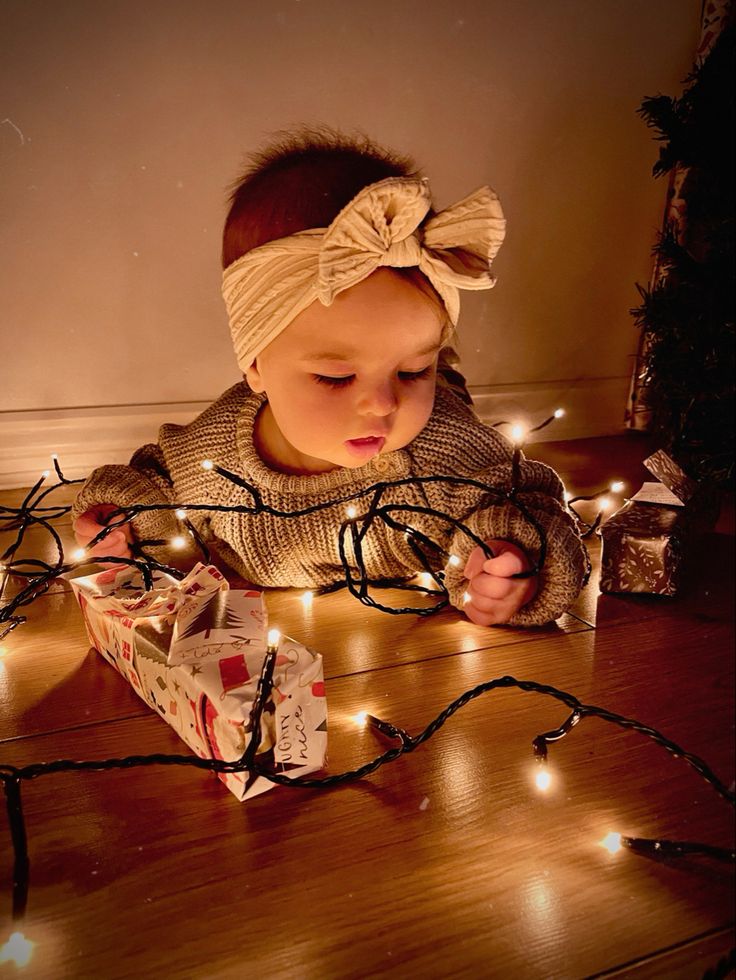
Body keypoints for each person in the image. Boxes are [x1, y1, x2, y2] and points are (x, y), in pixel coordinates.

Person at [73, 127, 588, 627]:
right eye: (336, 377)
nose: (382, 403)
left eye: (413, 369)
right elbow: (153, 479)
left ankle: (441, 377)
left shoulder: (444, 455)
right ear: (255, 364)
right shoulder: (217, 452)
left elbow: (526, 505)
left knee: (444, 410)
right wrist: (120, 519)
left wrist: (511, 559)